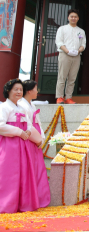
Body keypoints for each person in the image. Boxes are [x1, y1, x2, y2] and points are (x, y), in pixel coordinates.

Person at [0, 79, 49, 213]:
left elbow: (28, 124)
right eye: (15, 89)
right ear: (8, 91)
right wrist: (19, 131)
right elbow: (1, 126)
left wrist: (27, 131)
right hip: (9, 144)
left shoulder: (21, 108)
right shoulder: (4, 107)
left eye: (20, 89)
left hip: (22, 145)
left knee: (23, 174)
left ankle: (22, 203)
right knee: (9, 173)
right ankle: (6, 204)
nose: (18, 92)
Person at [18, 79, 50, 209]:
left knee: (36, 171)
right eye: (36, 89)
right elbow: (28, 126)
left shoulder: (31, 105)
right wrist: (38, 139)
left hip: (35, 141)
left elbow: (39, 124)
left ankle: (37, 198)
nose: (37, 91)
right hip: (28, 141)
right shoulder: (22, 105)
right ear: (30, 91)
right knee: (28, 170)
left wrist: (41, 138)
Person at [55, 8, 86, 104]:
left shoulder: (81, 31)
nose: (73, 18)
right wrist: (67, 51)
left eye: (75, 17)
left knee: (72, 78)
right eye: (71, 16)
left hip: (76, 56)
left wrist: (78, 51)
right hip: (64, 54)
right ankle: (59, 97)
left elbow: (83, 44)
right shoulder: (62, 29)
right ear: (68, 17)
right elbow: (59, 42)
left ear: (78, 18)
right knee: (62, 77)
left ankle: (68, 97)